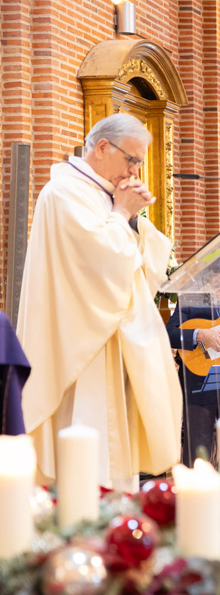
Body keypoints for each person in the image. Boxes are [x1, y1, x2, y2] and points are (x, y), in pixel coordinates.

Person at [18, 113, 182, 491]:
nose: (135, 170)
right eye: (132, 159)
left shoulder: (101, 193)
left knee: (111, 452)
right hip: (79, 344)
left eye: (138, 162)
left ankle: (113, 513)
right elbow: (102, 262)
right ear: (103, 147)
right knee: (86, 447)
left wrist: (133, 219)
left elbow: (144, 260)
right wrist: (123, 212)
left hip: (111, 339)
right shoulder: (64, 192)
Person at [166, 267, 220, 466]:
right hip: (199, 386)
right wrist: (198, 334)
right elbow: (168, 333)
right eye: (216, 274)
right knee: (198, 453)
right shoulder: (190, 301)